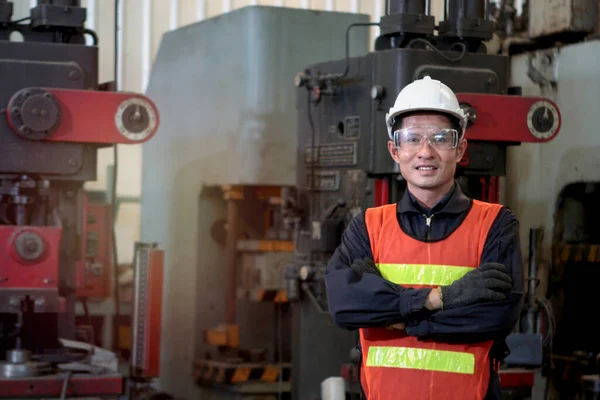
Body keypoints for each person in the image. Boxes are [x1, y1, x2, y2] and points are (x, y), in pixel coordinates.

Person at [324, 76, 525, 400]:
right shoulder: (369, 227)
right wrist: (438, 299)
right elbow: (345, 306)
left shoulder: (495, 224)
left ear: (460, 149)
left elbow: (497, 315)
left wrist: (400, 318)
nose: (425, 151)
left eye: (440, 138)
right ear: (395, 149)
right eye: (412, 138)